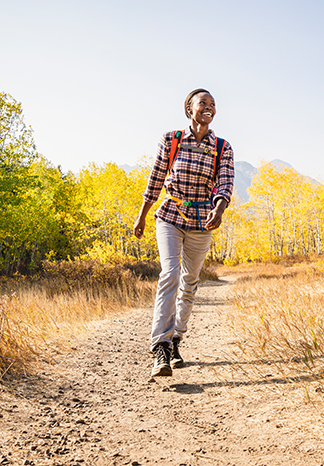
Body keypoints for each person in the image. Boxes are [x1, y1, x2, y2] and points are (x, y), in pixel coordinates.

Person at [133, 88, 235, 377]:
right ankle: (160, 347)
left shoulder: (222, 147)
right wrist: (141, 217)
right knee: (171, 274)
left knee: (189, 282)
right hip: (169, 215)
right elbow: (155, 179)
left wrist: (220, 208)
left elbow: (226, 183)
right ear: (189, 109)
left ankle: (176, 338)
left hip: (203, 219)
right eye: (203, 103)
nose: (209, 107)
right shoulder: (172, 139)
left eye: (213, 104)